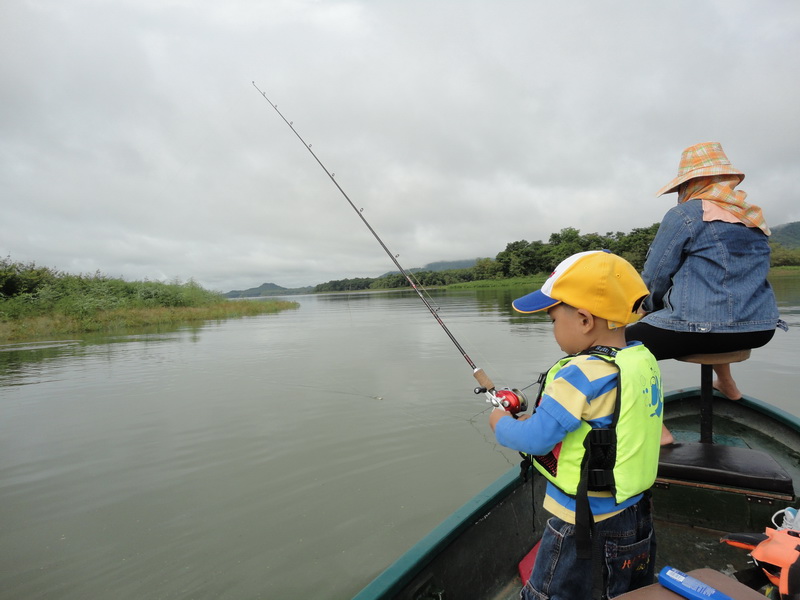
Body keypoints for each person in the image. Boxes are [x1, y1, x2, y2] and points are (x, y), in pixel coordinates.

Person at [490, 250, 663, 600]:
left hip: (580, 523)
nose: (553, 329)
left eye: (553, 319)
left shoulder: (580, 373)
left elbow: (537, 440)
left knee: (546, 594)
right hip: (635, 514)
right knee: (624, 592)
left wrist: (499, 422)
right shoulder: (640, 360)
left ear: (584, 320)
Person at [625, 142, 786, 444]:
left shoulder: (685, 213)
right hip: (760, 328)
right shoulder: (753, 217)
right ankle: (727, 384)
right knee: (710, 314)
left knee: (616, 350)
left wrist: (646, 305)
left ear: (691, 184)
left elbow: (657, 272)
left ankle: (654, 427)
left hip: (704, 329)